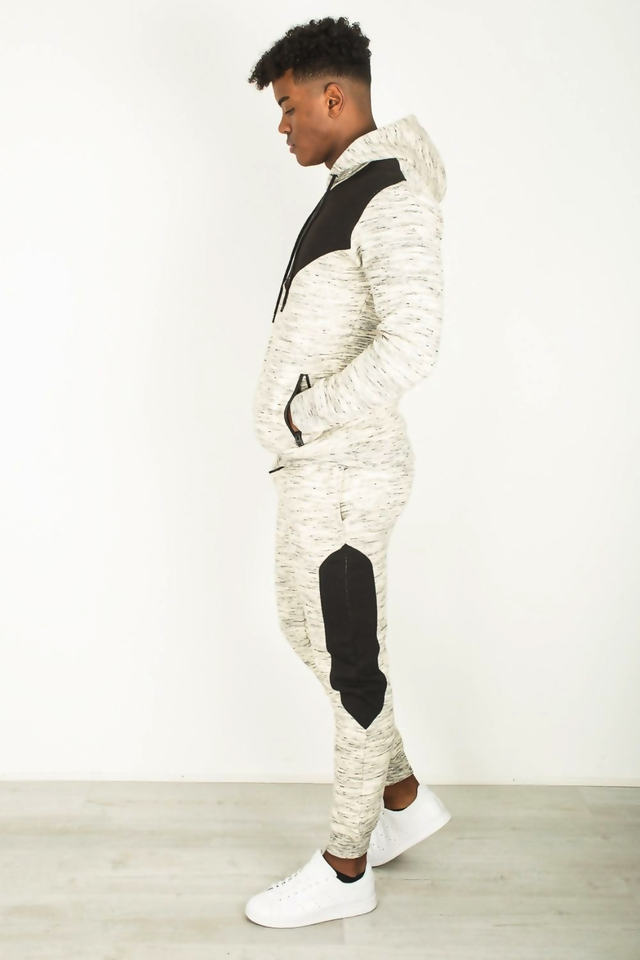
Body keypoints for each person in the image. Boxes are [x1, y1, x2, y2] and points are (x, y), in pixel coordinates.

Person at [244, 15, 451, 927]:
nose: (283, 123)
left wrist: (306, 412)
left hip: (346, 473)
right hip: (318, 470)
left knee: (350, 664)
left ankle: (344, 866)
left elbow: (412, 345)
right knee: (310, 631)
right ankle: (400, 798)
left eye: (290, 106)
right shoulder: (349, 186)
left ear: (335, 96)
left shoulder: (389, 194)